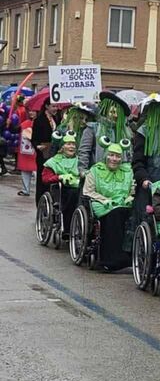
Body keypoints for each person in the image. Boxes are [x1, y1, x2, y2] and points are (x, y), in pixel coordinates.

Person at [83, 143, 135, 271]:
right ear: (106, 156)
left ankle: (130, 254)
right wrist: (104, 200)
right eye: (111, 155)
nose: (114, 159)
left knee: (133, 215)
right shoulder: (95, 170)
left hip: (123, 203)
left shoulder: (128, 171)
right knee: (115, 215)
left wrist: (129, 197)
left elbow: (133, 190)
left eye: (117, 156)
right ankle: (112, 259)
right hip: (102, 203)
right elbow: (88, 191)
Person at [78, 92, 131, 177]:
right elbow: (84, 151)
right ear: (106, 111)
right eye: (112, 112)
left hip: (118, 177)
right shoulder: (93, 128)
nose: (115, 115)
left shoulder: (124, 132)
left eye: (118, 113)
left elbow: (128, 155)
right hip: (96, 175)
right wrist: (83, 171)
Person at [41, 133, 80, 236]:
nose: (72, 146)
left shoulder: (80, 161)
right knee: (72, 194)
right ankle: (67, 228)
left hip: (80, 188)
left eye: (73, 144)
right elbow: (45, 178)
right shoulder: (53, 161)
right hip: (62, 190)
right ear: (62, 147)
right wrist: (60, 177)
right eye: (68, 144)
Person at [31, 99, 59, 204]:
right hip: (43, 152)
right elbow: (34, 138)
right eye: (53, 106)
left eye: (56, 106)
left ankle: (51, 201)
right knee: (42, 178)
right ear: (47, 106)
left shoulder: (57, 119)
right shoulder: (39, 120)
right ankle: (40, 202)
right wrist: (38, 146)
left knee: (52, 178)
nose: (55, 109)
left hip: (55, 152)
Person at [16, 111, 36, 196]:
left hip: (35, 150)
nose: (31, 112)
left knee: (36, 170)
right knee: (25, 170)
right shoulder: (25, 123)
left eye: (33, 111)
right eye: (30, 110)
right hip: (24, 151)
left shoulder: (41, 122)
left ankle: (39, 190)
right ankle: (25, 190)